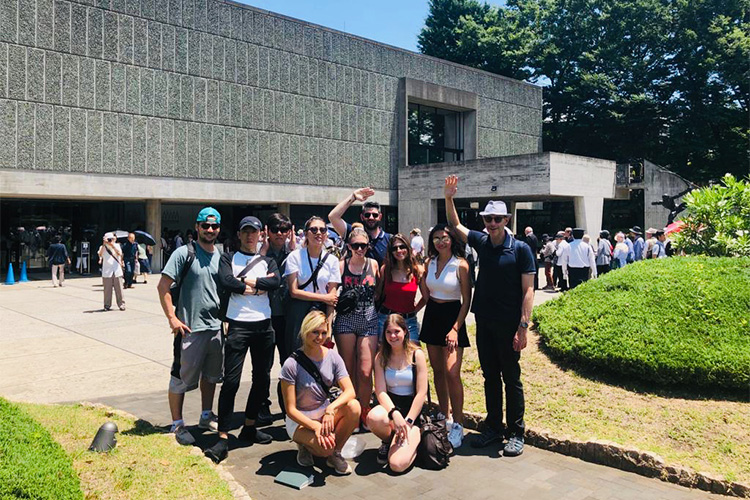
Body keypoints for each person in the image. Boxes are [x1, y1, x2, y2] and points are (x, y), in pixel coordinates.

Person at [444, 175, 536, 457]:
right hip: (484, 320)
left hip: (509, 324)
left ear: (506, 220)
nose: (492, 223)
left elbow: (529, 289)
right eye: (488, 219)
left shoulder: (520, 249)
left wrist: (523, 326)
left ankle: (516, 431)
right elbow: (456, 226)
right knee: (490, 377)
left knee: (512, 378)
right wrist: (449, 198)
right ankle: (494, 427)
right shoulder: (482, 242)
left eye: (497, 219)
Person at [204, 216, 281, 464]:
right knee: (231, 381)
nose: (250, 236)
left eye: (254, 232)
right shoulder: (228, 258)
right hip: (238, 325)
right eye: (246, 232)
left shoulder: (269, 260)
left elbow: (276, 281)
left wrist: (248, 282)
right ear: (239, 234)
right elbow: (225, 280)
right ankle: (223, 437)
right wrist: (258, 287)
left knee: (261, 379)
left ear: (262, 235)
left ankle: (249, 425)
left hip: (264, 325)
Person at [156, 207, 223, 446]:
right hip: (189, 327)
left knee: (211, 376)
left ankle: (206, 415)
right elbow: (163, 287)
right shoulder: (183, 253)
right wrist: (172, 319)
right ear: (197, 227)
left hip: (215, 327)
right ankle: (177, 424)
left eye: (214, 226)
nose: (210, 230)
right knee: (180, 376)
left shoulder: (221, 256)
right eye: (205, 225)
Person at [280, 310, 360, 475]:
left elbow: (350, 391)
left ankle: (335, 453)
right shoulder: (291, 364)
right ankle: (305, 445)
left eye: (324, 333)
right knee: (323, 450)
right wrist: (314, 426)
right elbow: (290, 409)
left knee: (354, 407)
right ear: (305, 331)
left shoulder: (333, 357)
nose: (320, 337)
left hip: (323, 411)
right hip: (300, 419)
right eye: (315, 332)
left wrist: (331, 409)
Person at [418, 223, 472, 449]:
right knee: (438, 370)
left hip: (452, 316)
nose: (441, 241)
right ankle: (444, 414)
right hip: (432, 316)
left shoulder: (461, 265)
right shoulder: (429, 262)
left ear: (452, 240)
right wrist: (420, 275)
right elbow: (427, 292)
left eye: (445, 237)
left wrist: (455, 328)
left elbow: (466, 300)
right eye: (436, 238)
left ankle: (458, 423)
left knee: (452, 372)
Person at [366, 314, 428, 472]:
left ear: (405, 332)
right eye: (388, 332)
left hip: (413, 413)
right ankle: (388, 441)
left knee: (396, 465)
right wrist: (394, 413)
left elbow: (421, 393)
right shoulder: (381, 357)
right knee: (373, 417)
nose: (393, 336)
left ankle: (414, 440)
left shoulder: (417, 354)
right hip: (392, 408)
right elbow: (380, 391)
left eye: (397, 331)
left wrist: (408, 421)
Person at [333, 228, 380, 427]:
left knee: (365, 371)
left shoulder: (374, 264)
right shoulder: (341, 265)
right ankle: (350, 410)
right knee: (348, 369)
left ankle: (364, 409)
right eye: (355, 246)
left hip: (369, 318)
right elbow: (332, 293)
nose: (359, 249)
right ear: (349, 246)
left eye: (363, 245)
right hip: (346, 319)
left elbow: (379, 291)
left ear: (368, 245)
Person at [259, 213, 296, 420]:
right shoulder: (259, 253)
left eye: (284, 229)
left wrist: (294, 250)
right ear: (267, 231)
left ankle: (287, 405)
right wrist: (263, 253)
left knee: (287, 362)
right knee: (264, 364)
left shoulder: (293, 253)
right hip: (265, 316)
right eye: (275, 229)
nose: (280, 234)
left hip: (287, 317)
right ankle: (262, 403)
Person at [283, 216, 340, 348]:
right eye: (314, 230)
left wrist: (329, 329)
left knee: (319, 356)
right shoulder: (295, 256)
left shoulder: (332, 260)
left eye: (322, 230)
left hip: (320, 313)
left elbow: (332, 299)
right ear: (306, 233)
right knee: (297, 352)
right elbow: (294, 291)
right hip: (299, 311)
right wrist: (323, 297)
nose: (318, 233)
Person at [375, 233, 425, 343]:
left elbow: (426, 297)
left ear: (408, 248)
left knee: (413, 354)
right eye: (395, 248)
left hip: (409, 320)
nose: (399, 250)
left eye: (402, 247)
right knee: (385, 356)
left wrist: (415, 310)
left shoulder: (417, 271)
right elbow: (378, 294)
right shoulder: (386, 269)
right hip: (386, 318)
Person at [329, 188, 392, 265]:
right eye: (367, 215)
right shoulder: (353, 233)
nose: (371, 217)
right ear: (362, 217)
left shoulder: (389, 239)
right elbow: (333, 217)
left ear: (380, 217)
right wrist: (353, 197)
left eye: (375, 215)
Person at [97, 233, 125, 311]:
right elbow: (100, 254)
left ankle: (121, 304)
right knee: (107, 290)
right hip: (107, 271)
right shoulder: (102, 247)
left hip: (116, 270)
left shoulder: (117, 245)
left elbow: (119, 253)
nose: (110, 241)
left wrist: (112, 245)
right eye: (109, 239)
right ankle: (107, 305)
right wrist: (104, 244)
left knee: (119, 289)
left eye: (111, 239)